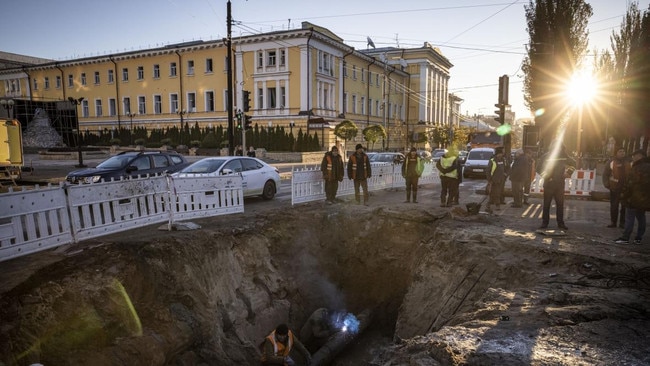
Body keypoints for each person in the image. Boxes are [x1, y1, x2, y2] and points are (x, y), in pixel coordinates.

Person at [537, 141, 575, 230]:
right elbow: (538, 168)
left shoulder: (564, 156)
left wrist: (569, 172)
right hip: (549, 184)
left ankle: (560, 223)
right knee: (546, 205)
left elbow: (573, 163)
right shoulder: (546, 156)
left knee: (560, 205)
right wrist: (547, 177)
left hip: (559, 185)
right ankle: (545, 222)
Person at [615, 149, 650, 244]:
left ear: (640, 156)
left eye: (634, 156)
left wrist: (624, 195)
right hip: (644, 198)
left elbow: (630, 184)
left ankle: (625, 237)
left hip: (633, 198)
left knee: (630, 217)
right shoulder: (648, 167)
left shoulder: (637, 168)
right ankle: (639, 237)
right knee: (641, 217)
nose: (633, 157)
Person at [602, 148, 628, 228]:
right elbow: (605, 174)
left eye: (623, 151)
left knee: (624, 206)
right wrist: (607, 184)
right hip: (615, 187)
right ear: (616, 153)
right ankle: (613, 222)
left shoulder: (629, 162)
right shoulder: (611, 162)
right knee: (614, 205)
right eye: (620, 151)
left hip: (626, 188)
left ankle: (622, 223)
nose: (622, 153)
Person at [486, 147, 508, 213]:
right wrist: (489, 180)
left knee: (495, 192)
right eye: (501, 153)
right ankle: (497, 205)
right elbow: (488, 171)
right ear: (498, 153)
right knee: (496, 193)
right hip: (494, 180)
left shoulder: (503, 160)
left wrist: (505, 174)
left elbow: (506, 168)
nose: (502, 154)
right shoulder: (492, 160)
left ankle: (489, 204)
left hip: (501, 179)